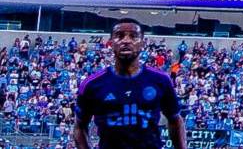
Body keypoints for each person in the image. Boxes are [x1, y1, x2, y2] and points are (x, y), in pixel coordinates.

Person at [73, 19, 187, 149]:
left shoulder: (160, 80)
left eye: (133, 36)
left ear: (142, 43)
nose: (126, 40)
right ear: (110, 43)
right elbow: (79, 127)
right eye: (119, 36)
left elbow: (175, 120)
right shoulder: (92, 84)